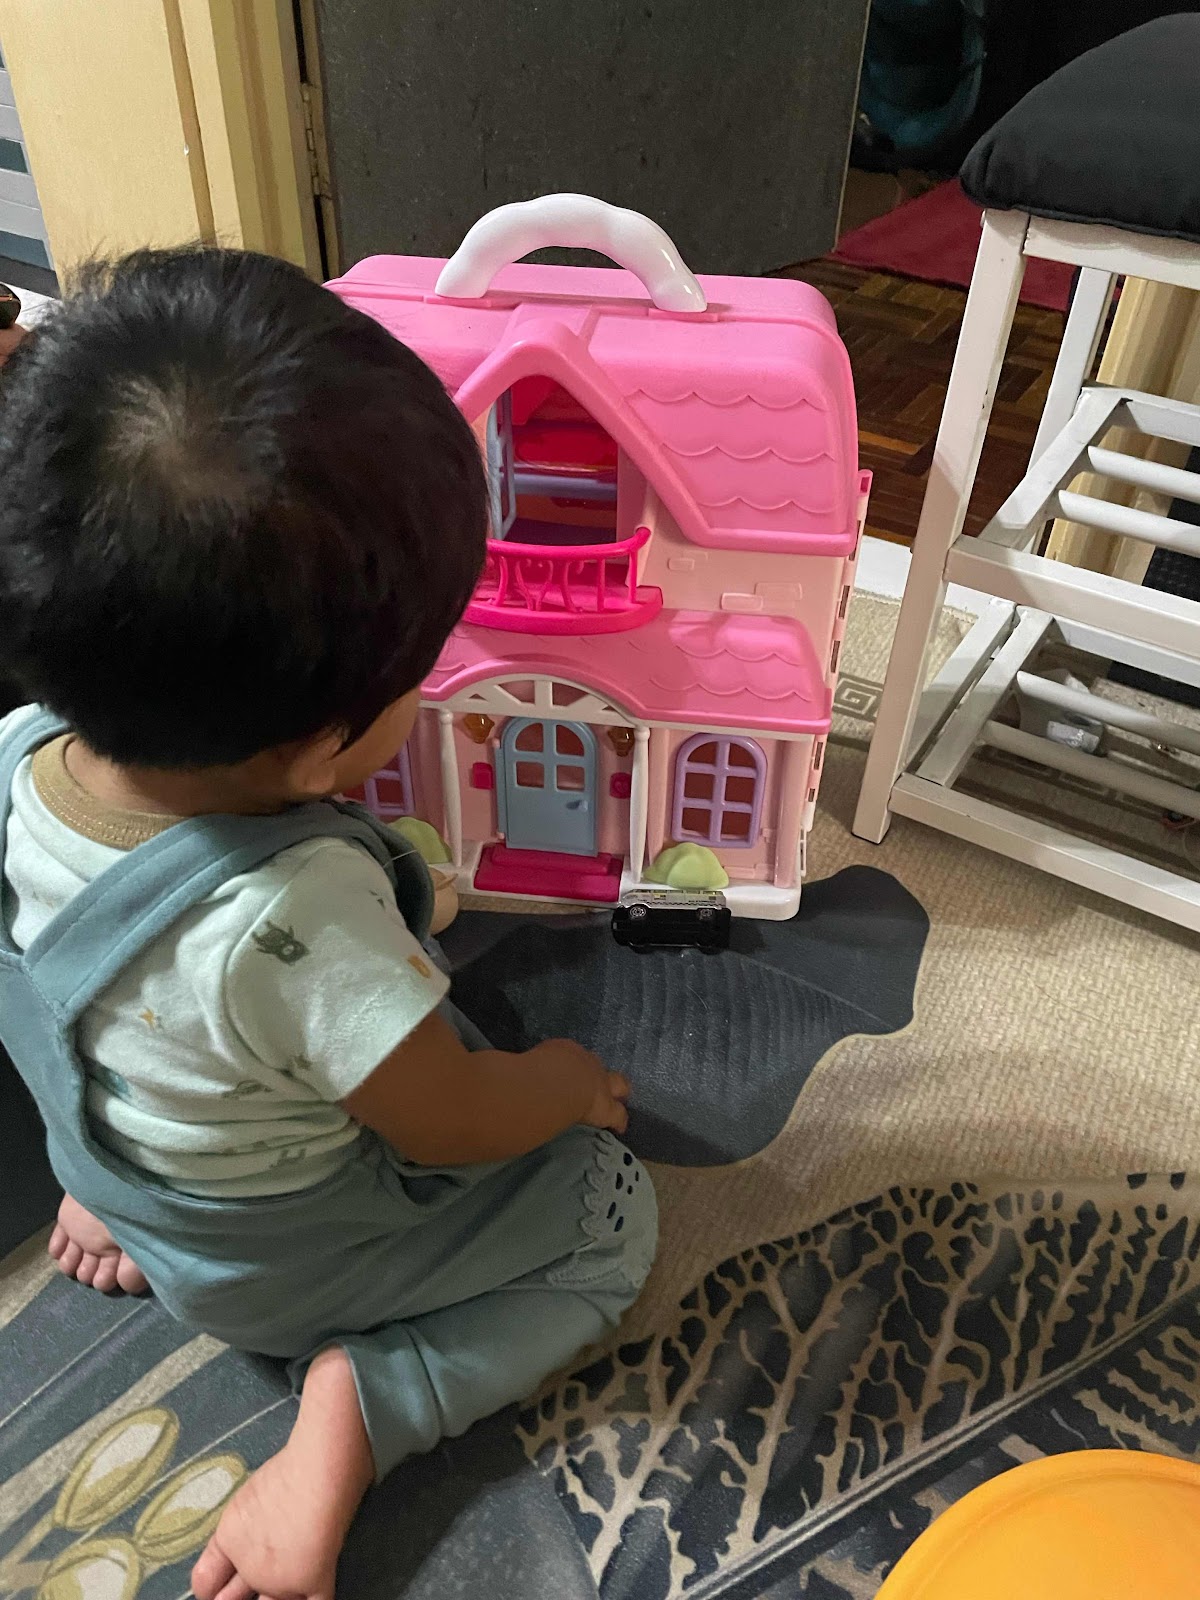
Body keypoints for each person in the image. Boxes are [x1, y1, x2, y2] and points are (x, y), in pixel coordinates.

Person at [0, 249, 657, 1600]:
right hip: (280, 1265)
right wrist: (562, 1084)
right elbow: (447, 1120)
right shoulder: (298, 916)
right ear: (317, 752)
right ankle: (365, 1405)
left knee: (109, 1020)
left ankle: (108, 1178)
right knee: (611, 1216)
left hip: (118, 1160)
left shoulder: (15, 756)